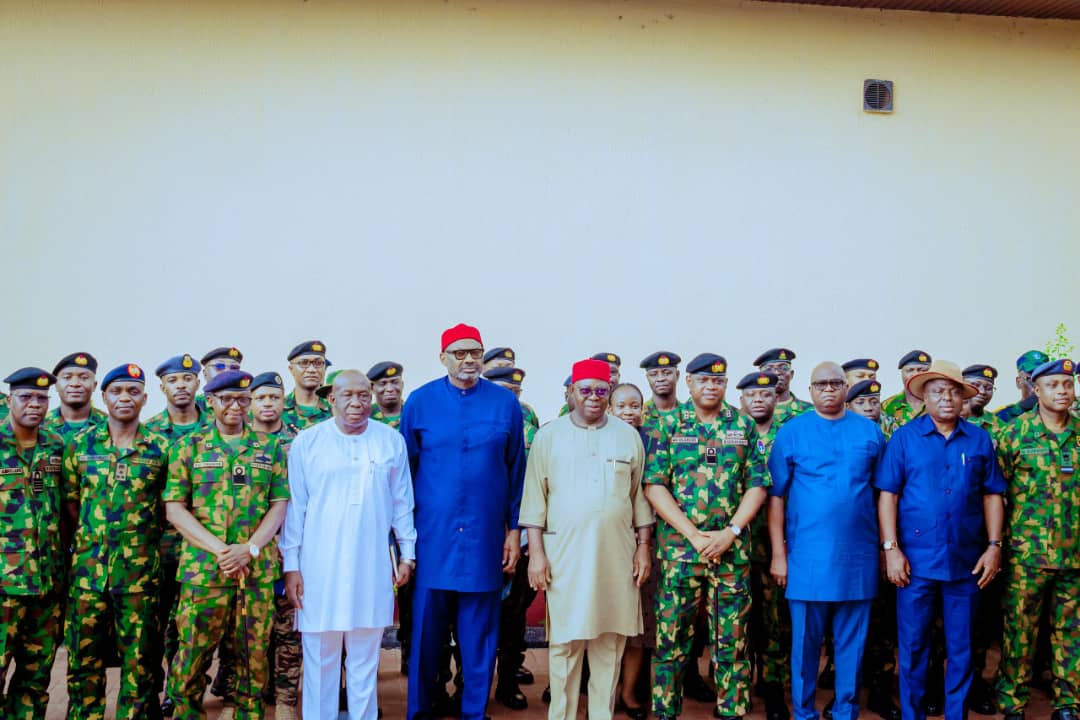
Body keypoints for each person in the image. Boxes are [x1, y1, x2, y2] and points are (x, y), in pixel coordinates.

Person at [402, 323, 526, 720]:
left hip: (484, 538)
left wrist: (513, 532)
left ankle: (474, 710)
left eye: (476, 352)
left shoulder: (505, 405)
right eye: (460, 353)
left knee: (480, 634)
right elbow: (404, 474)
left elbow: (516, 472)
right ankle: (421, 710)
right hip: (433, 538)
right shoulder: (419, 403)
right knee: (425, 635)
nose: (469, 359)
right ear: (443, 358)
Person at [521, 358, 653, 720]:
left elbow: (639, 498)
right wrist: (536, 555)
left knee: (609, 644)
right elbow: (534, 501)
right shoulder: (549, 436)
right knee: (565, 644)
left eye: (600, 390)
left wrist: (643, 548)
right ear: (570, 393)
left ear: (609, 394)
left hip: (617, 557)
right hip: (565, 557)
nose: (593, 397)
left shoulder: (627, 436)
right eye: (585, 390)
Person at [875, 360, 1006, 720]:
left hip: (967, 562)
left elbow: (992, 494)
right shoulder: (904, 438)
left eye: (952, 391)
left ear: (963, 398)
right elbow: (889, 494)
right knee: (914, 646)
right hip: (914, 563)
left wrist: (994, 547)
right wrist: (891, 550)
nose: (945, 398)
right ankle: (912, 714)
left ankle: (955, 714)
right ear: (925, 398)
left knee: (962, 648)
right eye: (937, 391)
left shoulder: (979, 439)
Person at [282, 370, 417, 720]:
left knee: (364, 661)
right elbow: (295, 509)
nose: (356, 403)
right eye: (347, 396)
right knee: (319, 662)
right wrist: (291, 566)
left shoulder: (390, 441)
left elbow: (402, 503)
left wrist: (407, 553)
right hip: (318, 570)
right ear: (332, 400)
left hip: (370, 569)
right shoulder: (307, 444)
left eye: (362, 395)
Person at [644, 353, 770, 720]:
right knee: (671, 640)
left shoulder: (741, 425)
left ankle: (731, 710)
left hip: (731, 554)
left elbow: (758, 485)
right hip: (681, 552)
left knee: (732, 640)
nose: (711, 386)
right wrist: (694, 536)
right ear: (689, 382)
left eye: (718, 380)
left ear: (726, 384)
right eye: (703, 380)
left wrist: (731, 533)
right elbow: (654, 485)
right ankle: (666, 711)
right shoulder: (668, 425)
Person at [164, 370, 290, 720]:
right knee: (191, 657)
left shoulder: (269, 448)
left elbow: (279, 504)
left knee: (252, 660)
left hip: (254, 571)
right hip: (205, 574)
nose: (236, 406)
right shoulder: (188, 447)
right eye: (227, 399)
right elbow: (175, 509)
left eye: (243, 399)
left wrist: (248, 548)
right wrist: (222, 549)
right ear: (211, 402)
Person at [767, 362, 885, 720]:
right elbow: (775, 497)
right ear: (811, 388)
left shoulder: (870, 433)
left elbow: (885, 495)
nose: (829, 389)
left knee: (852, 645)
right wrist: (778, 554)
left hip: (858, 556)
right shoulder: (791, 432)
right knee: (804, 644)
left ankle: (845, 710)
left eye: (836, 383)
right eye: (822, 384)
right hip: (807, 558)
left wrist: (885, 550)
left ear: (847, 388)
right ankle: (804, 712)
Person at [63, 363, 171, 720]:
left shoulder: (160, 448)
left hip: (139, 577)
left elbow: (167, 507)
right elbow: (72, 503)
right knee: (83, 663)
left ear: (144, 398)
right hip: (87, 575)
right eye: (116, 391)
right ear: (103, 396)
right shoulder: (79, 446)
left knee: (140, 665)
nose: (125, 397)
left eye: (133, 391)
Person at [995, 358, 1080, 720]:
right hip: (1026, 556)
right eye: (1054, 385)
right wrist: (995, 546)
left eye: (1067, 384)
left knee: (1071, 634)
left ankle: (1068, 703)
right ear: (1035, 389)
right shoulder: (1014, 434)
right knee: (1019, 633)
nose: (1062, 391)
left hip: (1075, 556)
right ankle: (1012, 701)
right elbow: (995, 495)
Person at [0, 367, 67, 719]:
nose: (35, 404)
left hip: (45, 583)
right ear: (10, 399)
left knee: (35, 676)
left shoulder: (55, 445)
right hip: (3, 584)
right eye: (26, 397)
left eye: (42, 398)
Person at [145, 353, 209, 718]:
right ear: (163, 387)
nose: (181, 385)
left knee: (193, 627)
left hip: (201, 547)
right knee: (159, 623)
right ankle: (156, 689)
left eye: (188, 379)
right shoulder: (150, 433)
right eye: (173, 380)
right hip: (160, 547)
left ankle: (182, 691)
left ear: (198, 383)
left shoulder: (213, 430)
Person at [483, 365, 540, 710]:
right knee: (473, 616)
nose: (511, 399)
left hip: (518, 536)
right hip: (481, 535)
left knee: (515, 614)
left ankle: (507, 682)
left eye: (515, 392)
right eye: (503, 390)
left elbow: (535, 487)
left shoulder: (531, 430)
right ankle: (469, 686)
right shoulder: (479, 423)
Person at [737, 371, 792, 720]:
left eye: (766, 393)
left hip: (776, 544)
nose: (759, 399)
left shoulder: (789, 435)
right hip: (736, 544)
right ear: (741, 399)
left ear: (777, 397)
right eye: (752, 395)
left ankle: (773, 689)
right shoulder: (729, 434)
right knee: (737, 622)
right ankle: (735, 690)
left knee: (775, 621)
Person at [247, 371, 302, 719]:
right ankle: (248, 700)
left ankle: (285, 702)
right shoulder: (238, 441)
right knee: (249, 634)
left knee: (289, 633)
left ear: (285, 402)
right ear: (251, 402)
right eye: (261, 398)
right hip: (252, 550)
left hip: (291, 549)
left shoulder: (303, 441)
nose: (268, 404)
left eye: (275, 398)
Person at [609, 382, 658, 719]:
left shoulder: (654, 443)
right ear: (610, 409)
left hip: (645, 543)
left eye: (634, 406)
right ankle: (603, 693)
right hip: (606, 544)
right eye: (622, 406)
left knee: (639, 626)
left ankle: (629, 694)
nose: (629, 412)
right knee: (606, 624)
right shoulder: (598, 440)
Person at [43, 352, 108, 441]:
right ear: (56, 385)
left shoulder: (109, 425)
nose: (75, 384)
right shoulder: (40, 426)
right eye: (67, 377)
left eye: (84, 378)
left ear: (94, 385)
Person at [753, 348, 813, 426]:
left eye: (783, 368)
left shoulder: (810, 412)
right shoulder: (748, 415)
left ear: (791, 374)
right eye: (768, 369)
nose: (777, 372)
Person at [282, 340, 333, 430]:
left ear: (324, 368)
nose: (312, 370)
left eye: (318, 363)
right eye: (304, 363)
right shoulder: (276, 409)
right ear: (291, 369)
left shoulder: (335, 408)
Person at [993, 351, 1049, 422]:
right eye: (1031, 379)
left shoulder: (1062, 414)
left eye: (1043, 378)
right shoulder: (1001, 417)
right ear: (1018, 382)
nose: (1038, 385)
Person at [881, 351, 932, 426]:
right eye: (910, 370)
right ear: (902, 374)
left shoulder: (940, 404)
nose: (915, 374)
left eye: (922, 370)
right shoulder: (886, 407)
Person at [640, 352, 682, 428]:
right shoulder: (638, 415)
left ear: (677, 375)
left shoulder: (691, 415)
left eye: (667, 373)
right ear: (647, 378)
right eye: (653, 374)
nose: (660, 379)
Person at [962, 365, 1004, 441]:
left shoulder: (1000, 425)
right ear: (962, 386)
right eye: (976, 385)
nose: (982, 392)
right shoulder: (948, 419)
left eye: (988, 388)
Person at [369, 362, 406, 430]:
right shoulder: (365, 417)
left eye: (395, 382)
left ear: (402, 385)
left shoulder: (414, 413)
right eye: (382, 383)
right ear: (372, 388)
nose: (390, 389)